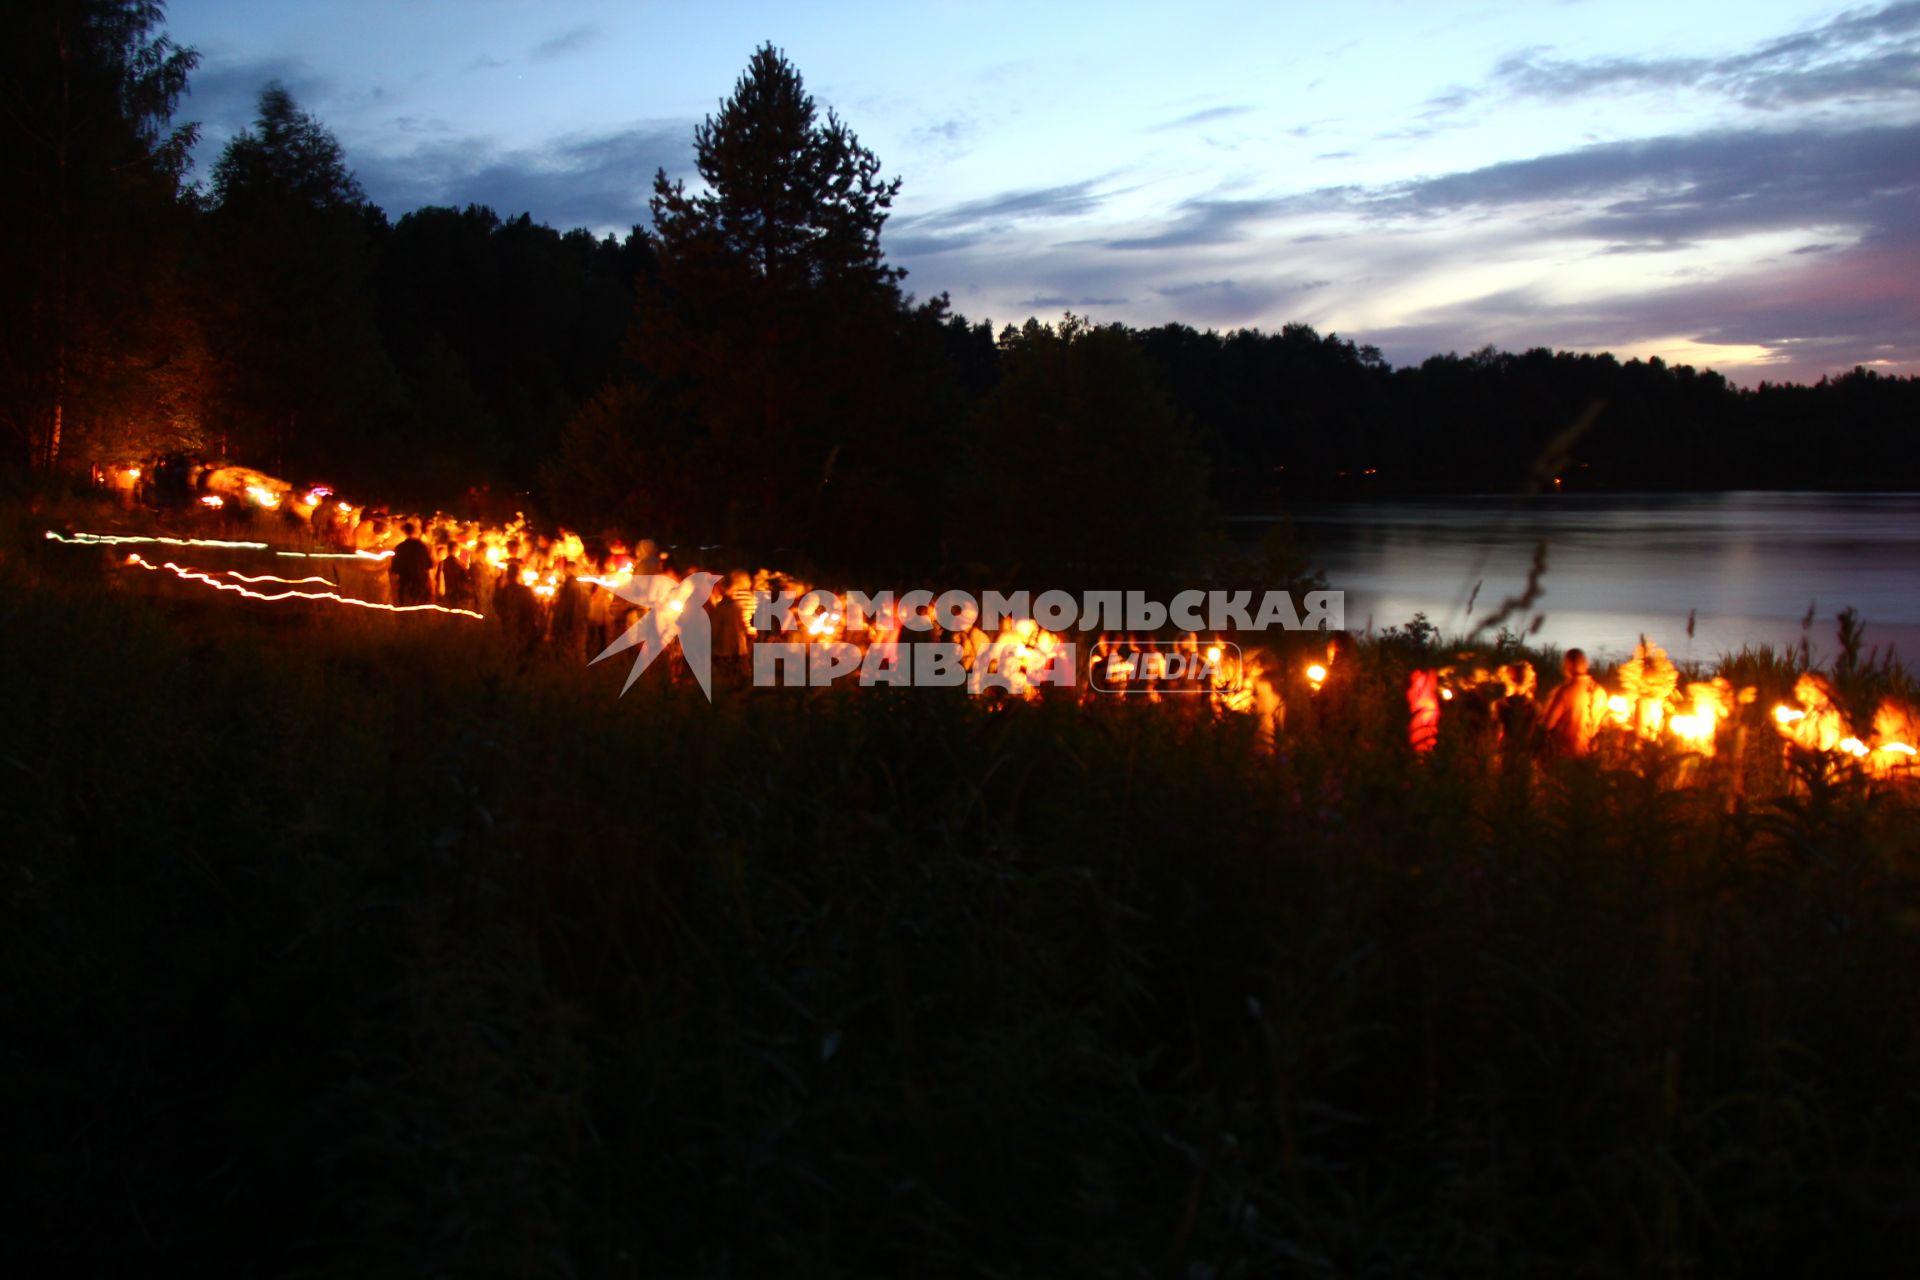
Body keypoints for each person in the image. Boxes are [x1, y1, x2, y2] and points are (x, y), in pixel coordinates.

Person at [1540, 649, 1607, 757]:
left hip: (1565, 755)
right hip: (1590, 756)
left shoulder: (1564, 691)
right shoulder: (1600, 691)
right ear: (1586, 664)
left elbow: (1547, 724)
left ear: (1568, 665)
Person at [389, 520, 434, 607]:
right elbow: (429, 566)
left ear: (405, 532)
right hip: (420, 581)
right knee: (418, 608)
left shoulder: (400, 547)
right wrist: (431, 583)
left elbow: (395, 568)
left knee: (404, 608)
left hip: (405, 582)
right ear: (416, 531)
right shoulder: (422, 547)